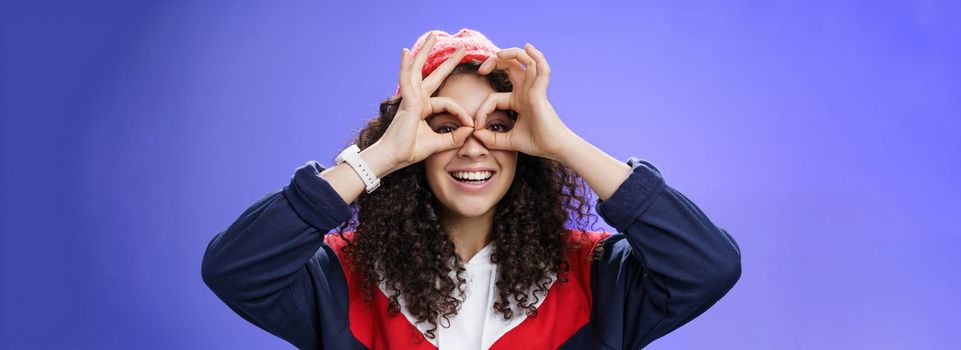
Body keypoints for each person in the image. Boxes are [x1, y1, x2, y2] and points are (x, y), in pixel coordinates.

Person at [201, 28, 742, 350]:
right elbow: (235, 268)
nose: (474, 145)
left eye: (500, 124)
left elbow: (709, 266)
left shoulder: (593, 275)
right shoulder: (342, 277)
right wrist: (379, 158)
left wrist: (564, 144)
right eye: (443, 126)